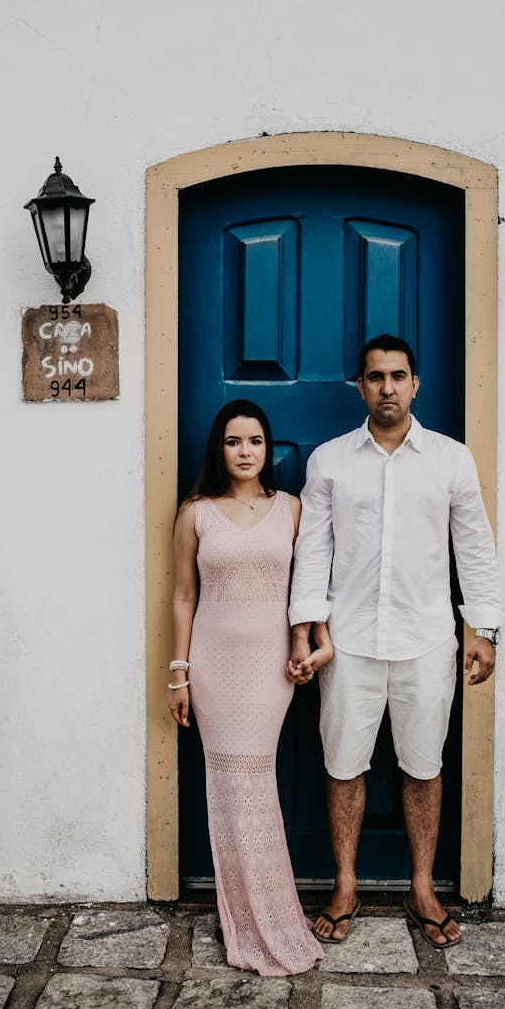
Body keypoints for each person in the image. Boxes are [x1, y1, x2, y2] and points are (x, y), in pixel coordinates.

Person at [288, 335, 502, 949]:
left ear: (416, 384)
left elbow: (476, 548)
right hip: (348, 642)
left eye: (398, 376)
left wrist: (482, 629)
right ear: (360, 385)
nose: (387, 387)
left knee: (424, 768)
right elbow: (314, 551)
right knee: (343, 767)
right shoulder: (329, 460)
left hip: (428, 641)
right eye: (376, 376)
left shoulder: (451, 459)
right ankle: (346, 884)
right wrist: (306, 626)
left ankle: (423, 886)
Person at [169, 399, 331, 976]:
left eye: (256, 441)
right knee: (224, 785)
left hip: (269, 664)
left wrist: (317, 641)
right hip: (211, 663)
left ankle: (271, 913)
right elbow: (184, 597)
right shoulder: (196, 513)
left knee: (254, 781)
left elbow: (312, 586)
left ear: (269, 448)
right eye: (234, 441)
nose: (245, 451)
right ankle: (240, 912)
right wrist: (178, 673)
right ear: (220, 447)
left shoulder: (291, 509)